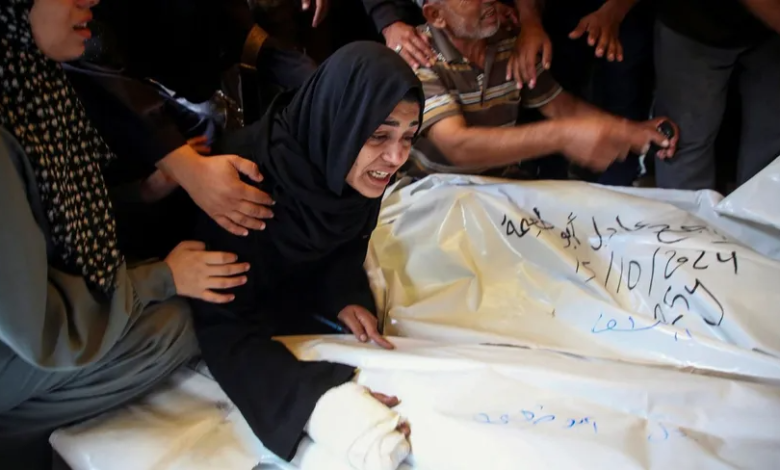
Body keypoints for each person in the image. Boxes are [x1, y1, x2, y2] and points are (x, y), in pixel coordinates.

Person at [0, 0, 246, 467]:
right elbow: (42, 328)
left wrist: (146, 191)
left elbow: (53, 216)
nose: (89, 0)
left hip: (31, 315)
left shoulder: (29, 79)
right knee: (179, 325)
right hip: (27, 334)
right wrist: (162, 279)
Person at [191, 42, 422, 467]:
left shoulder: (348, 168)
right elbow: (220, 324)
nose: (396, 158)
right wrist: (324, 404)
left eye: (409, 136)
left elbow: (342, 247)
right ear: (340, 120)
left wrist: (343, 293)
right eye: (378, 135)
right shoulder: (245, 184)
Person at [404, 0, 678, 181]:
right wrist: (562, 137)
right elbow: (457, 146)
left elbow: (563, 108)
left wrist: (633, 131)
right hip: (437, 198)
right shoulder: (417, 56)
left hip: (502, 193)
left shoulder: (509, 41)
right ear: (435, 15)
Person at [653, 0, 780, 190]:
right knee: (681, 143)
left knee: (771, 143)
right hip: (694, 26)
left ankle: (757, 214)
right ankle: (688, 219)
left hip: (769, 37)